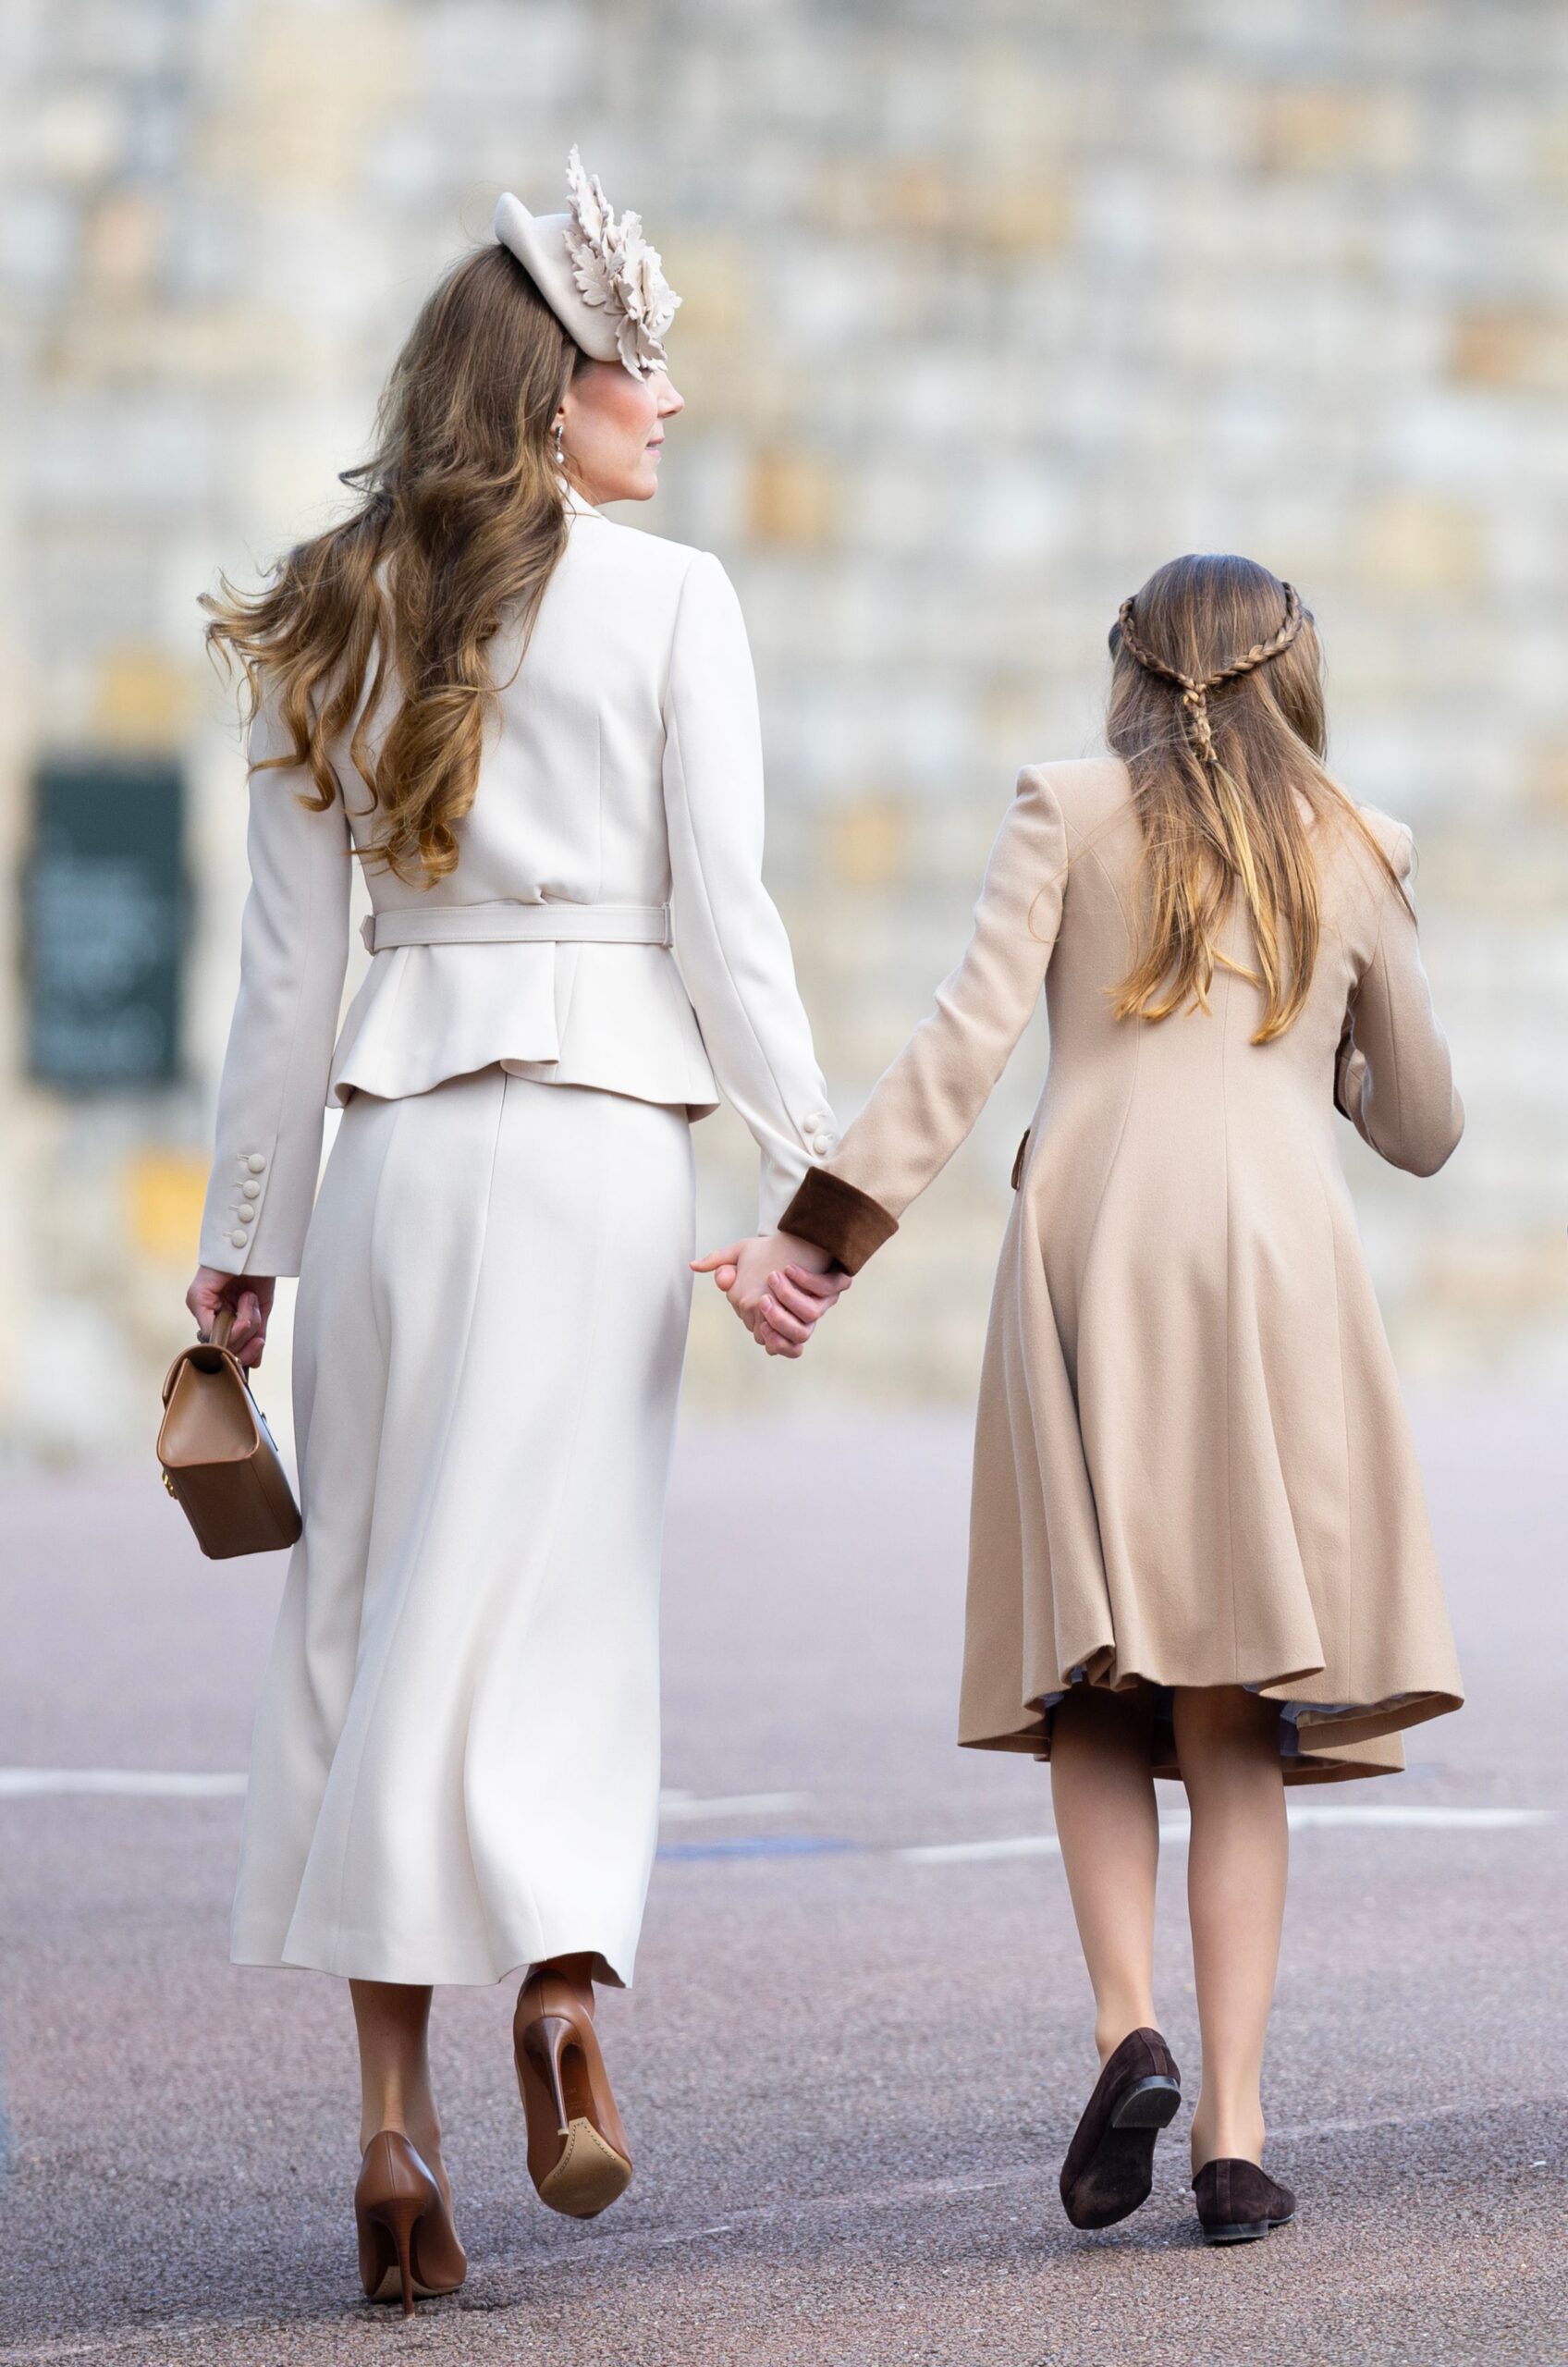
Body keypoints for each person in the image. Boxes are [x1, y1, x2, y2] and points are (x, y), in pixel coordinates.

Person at [185, 149, 843, 2313]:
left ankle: (393, 2132)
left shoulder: (329, 605)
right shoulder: (676, 603)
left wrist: (247, 1239)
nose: (670, 397)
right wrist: (819, 1173)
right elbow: (729, 930)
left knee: (369, 1612)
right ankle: (560, 1983)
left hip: (395, 1153)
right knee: (561, 1590)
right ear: (552, 388)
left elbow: (285, 979)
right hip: (599, 1151)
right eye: (638, 361)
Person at [713, 555, 1464, 2245]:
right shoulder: (1359, 844)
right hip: (1276, 1268)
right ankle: (1238, 2140)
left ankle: (1130, 2028)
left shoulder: (1063, 809)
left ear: (1131, 671)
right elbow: (1423, 1125)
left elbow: (961, 1049)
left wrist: (817, 1242)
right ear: (1294, 675)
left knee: (1099, 1683)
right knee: (1235, 1696)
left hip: (1091, 1254)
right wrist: (1335, 1039)